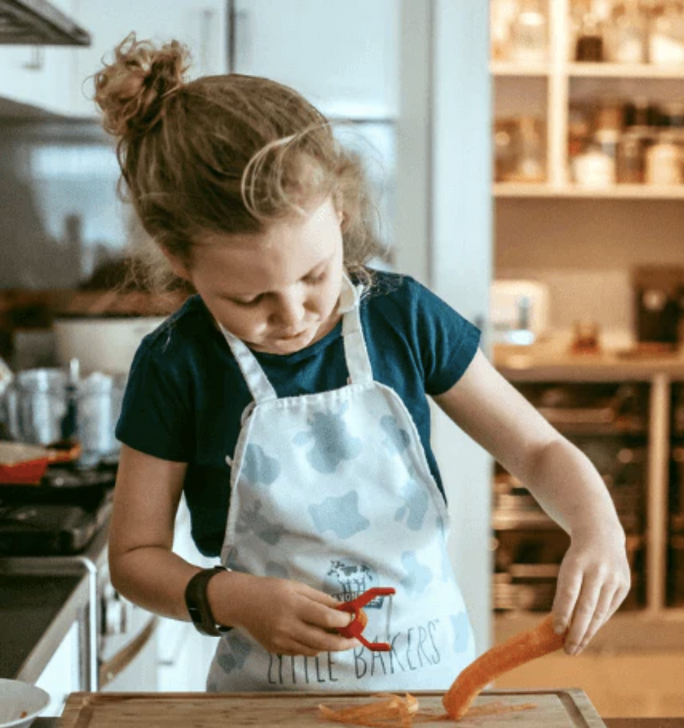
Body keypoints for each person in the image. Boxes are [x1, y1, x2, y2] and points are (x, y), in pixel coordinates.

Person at [97, 34, 631, 694]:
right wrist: (230, 598)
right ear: (181, 264)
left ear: (340, 214)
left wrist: (597, 527)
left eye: (315, 275)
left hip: (435, 694)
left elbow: (539, 449)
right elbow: (133, 558)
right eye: (250, 298)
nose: (292, 313)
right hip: (262, 712)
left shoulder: (402, 317)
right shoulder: (177, 364)